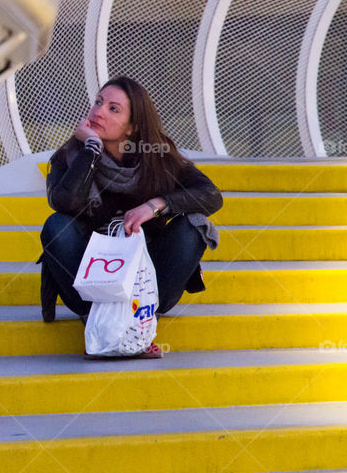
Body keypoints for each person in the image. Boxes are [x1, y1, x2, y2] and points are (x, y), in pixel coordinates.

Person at [38, 76, 223, 333]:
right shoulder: (69, 158)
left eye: (113, 109)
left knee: (194, 225)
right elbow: (66, 202)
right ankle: (97, 313)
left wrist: (157, 204)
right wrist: (91, 148)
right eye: (98, 102)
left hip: (147, 276)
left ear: (132, 128)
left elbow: (211, 195)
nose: (98, 112)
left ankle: (143, 312)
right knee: (57, 225)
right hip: (90, 276)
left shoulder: (159, 159)